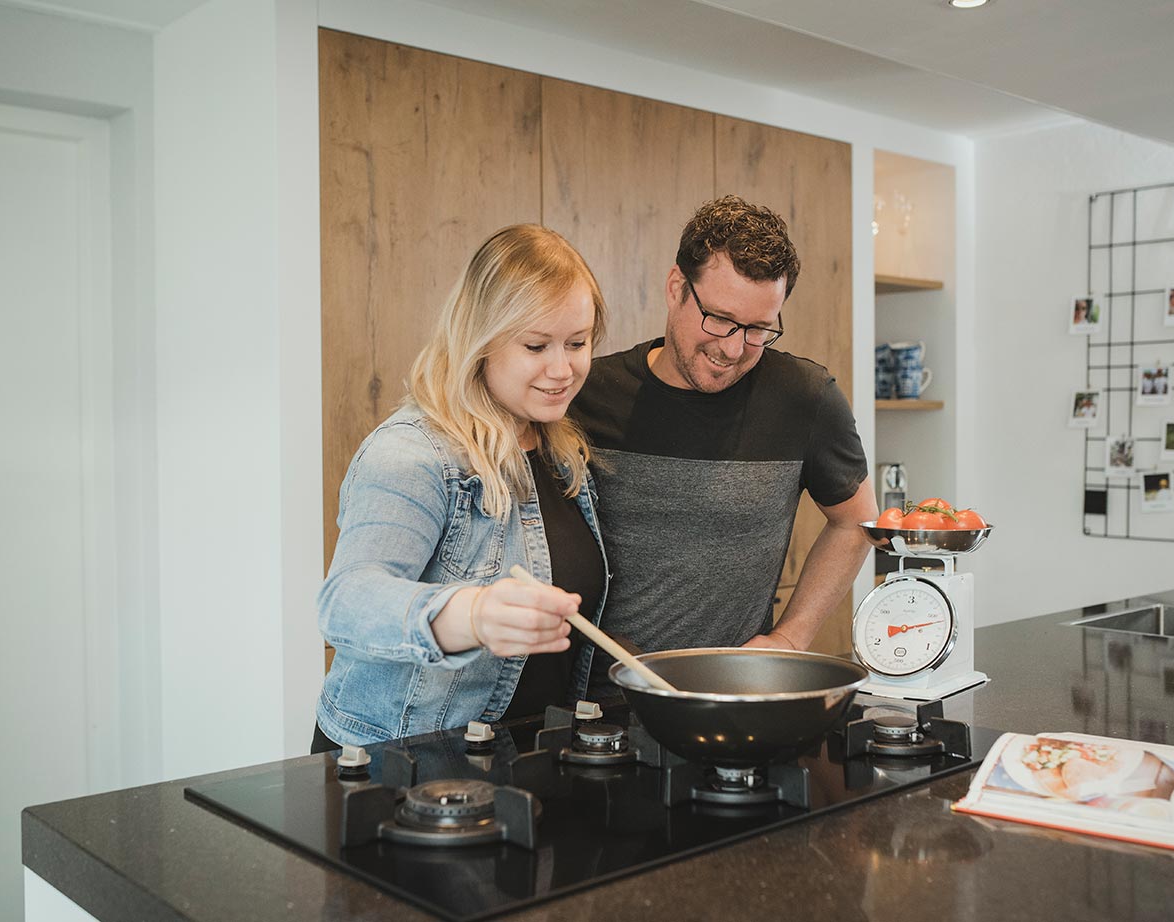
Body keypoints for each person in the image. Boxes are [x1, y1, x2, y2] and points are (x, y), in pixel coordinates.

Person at [312, 225, 610, 751]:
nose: (563, 369)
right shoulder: (413, 453)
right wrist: (470, 615)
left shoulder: (559, 449)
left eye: (578, 343)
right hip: (400, 758)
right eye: (536, 345)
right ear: (481, 343)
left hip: (515, 755)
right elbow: (345, 603)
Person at [570, 195, 875, 701]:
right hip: (601, 704)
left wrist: (790, 637)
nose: (732, 349)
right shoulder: (589, 396)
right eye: (719, 318)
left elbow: (856, 521)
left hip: (742, 699)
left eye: (759, 329)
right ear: (676, 289)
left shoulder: (805, 398)